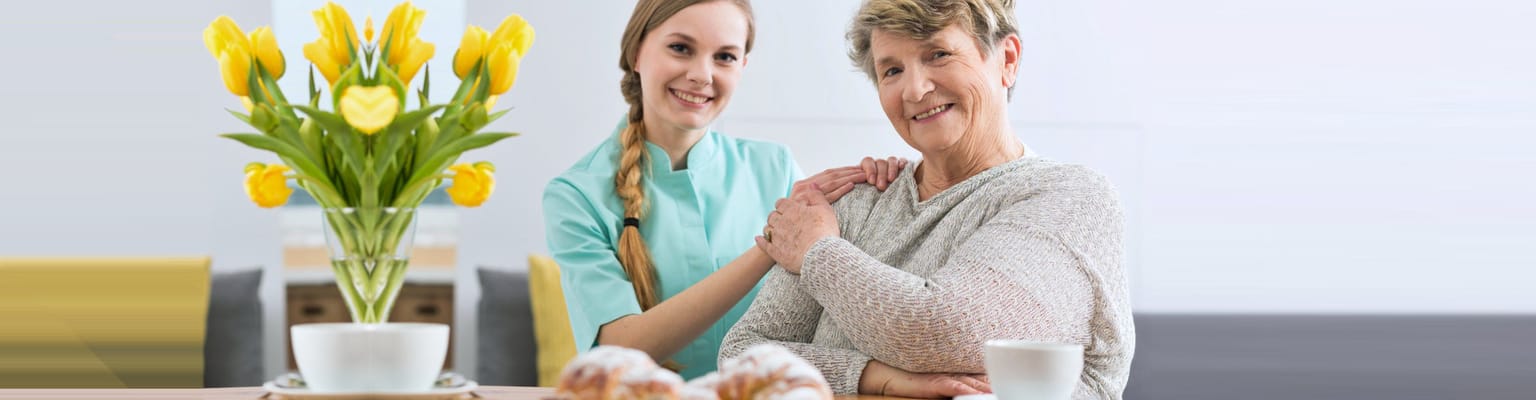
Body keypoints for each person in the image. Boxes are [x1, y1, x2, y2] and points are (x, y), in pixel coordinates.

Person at [721, 0, 1135, 398]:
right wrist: (876, 377)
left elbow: (947, 331)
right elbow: (742, 356)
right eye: (892, 70)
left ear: (1007, 60)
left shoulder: (1071, 199)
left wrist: (815, 253)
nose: (915, 90)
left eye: (938, 54)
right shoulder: (855, 200)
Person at [542, 0, 905, 380]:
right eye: (681, 48)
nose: (702, 75)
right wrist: (772, 242)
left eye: (725, 57)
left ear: (742, 67)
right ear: (636, 53)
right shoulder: (576, 194)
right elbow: (621, 348)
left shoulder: (775, 166)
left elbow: (833, 305)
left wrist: (883, 189)